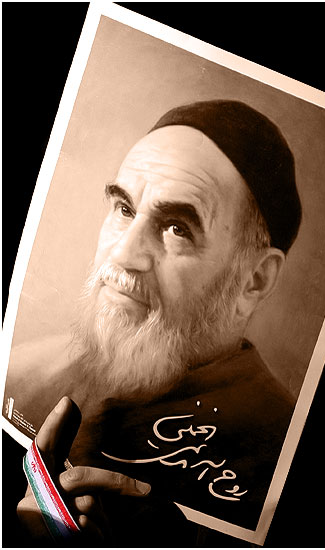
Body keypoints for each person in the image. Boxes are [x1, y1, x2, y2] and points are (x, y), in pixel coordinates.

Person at [4, 100, 302, 545]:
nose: (123, 254)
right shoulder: (19, 373)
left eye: (177, 228)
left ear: (253, 281)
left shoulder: (280, 453)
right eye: (124, 208)